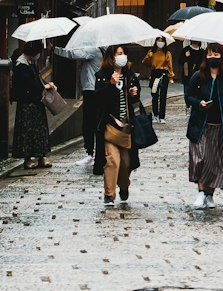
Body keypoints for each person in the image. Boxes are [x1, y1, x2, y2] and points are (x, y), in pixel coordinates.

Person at [185, 43, 223, 208]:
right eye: (209, 55)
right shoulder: (198, 76)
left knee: (214, 162)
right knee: (200, 159)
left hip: (219, 127)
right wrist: (199, 103)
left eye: (216, 55)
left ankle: (209, 194)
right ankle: (201, 193)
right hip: (201, 126)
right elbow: (188, 96)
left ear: (221, 56)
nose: (212, 58)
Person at [93, 44, 141, 207]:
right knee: (112, 160)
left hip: (127, 127)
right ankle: (109, 195)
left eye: (123, 53)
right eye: (118, 54)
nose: (122, 56)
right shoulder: (102, 75)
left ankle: (124, 186)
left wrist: (133, 93)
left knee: (126, 163)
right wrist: (110, 85)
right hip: (109, 126)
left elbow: (135, 97)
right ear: (111, 57)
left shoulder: (129, 74)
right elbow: (98, 99)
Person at [56, 38, 100, 166]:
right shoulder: (104, 50)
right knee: (95, 123)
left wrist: (54, 49)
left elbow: (72, 54)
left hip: (91, 91)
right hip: (96, 89)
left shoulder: (94, 50)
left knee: (89, 123)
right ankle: (95, 153)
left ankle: (90, 154)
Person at [10, 41, 54, 170]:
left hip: (36, 101)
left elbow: (38, 78)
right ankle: (28, 158)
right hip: (27, 103)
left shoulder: (31, 63)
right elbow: (28, 84)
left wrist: (46, 84)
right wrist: (43, 86)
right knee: (27, 132)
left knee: (39, 131)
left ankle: (42, 156)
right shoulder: (21, 65)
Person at [141, 36, 175, 122]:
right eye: (158, 40)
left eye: (162, 41)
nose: (160, 42)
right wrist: (149, 56)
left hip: (163, 74)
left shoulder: (167, 53)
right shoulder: (152, 52)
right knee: (154, 95)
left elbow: (170, 65)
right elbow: (144, 62)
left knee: (163, 96)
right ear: (156, 41)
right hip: (154, 73)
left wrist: (171, 77)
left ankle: (162, 116)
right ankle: (155, 115)